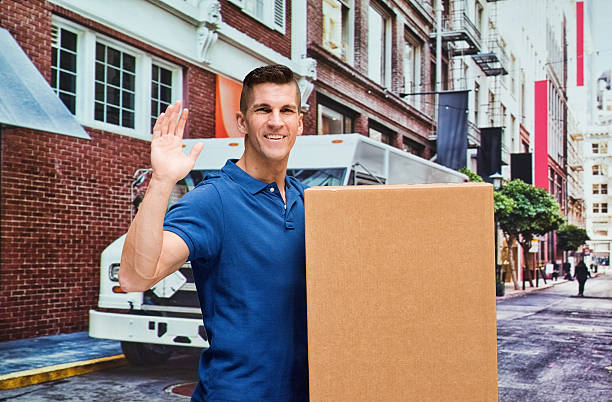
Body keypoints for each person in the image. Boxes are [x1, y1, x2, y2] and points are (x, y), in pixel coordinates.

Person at [119, 65, 308, 401]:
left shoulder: (308, 201)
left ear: (299, 123)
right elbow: (136, 277)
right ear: (242, 122)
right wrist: (163, 181)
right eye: (263, 109)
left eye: (286, 110)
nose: (276, 121)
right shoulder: (214, 200)